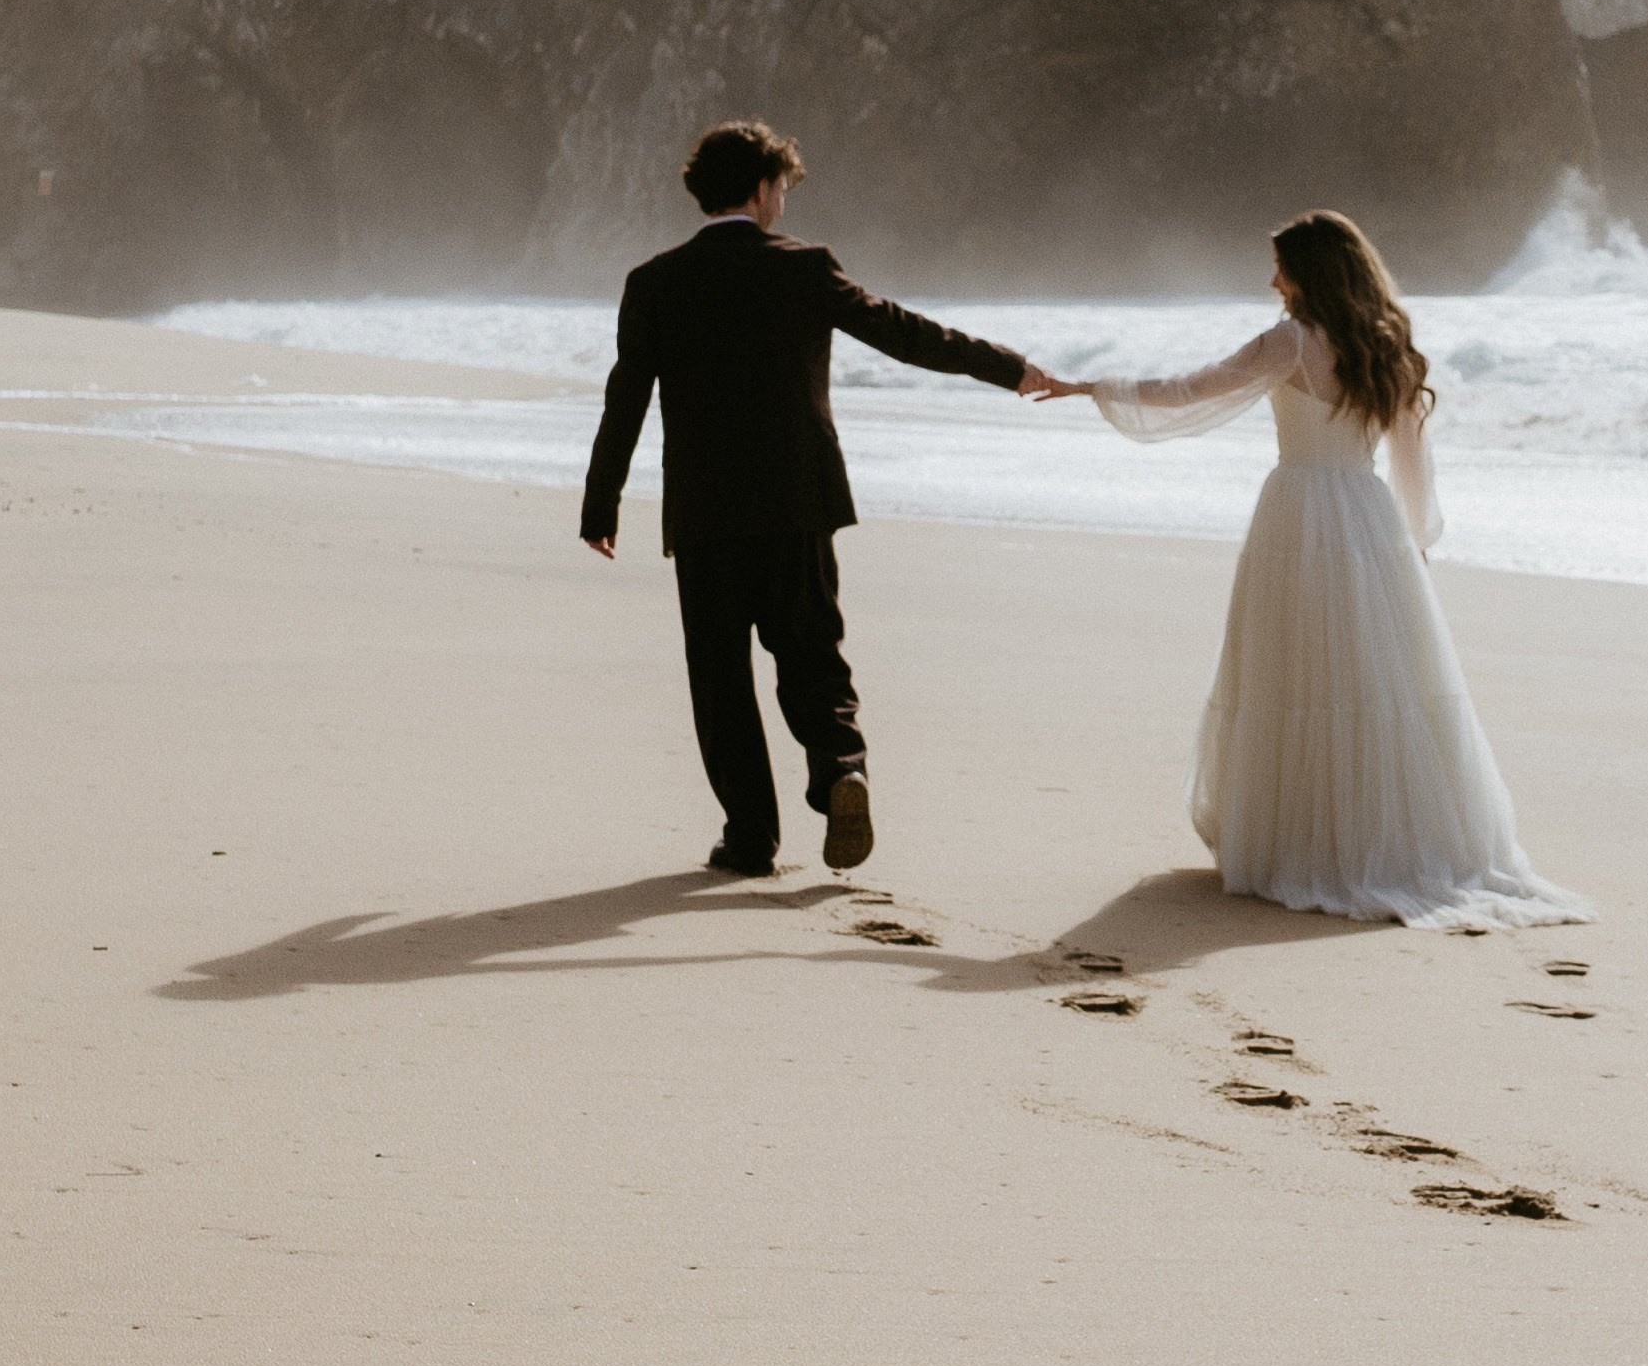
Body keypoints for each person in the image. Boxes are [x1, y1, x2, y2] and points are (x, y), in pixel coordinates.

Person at [1049, 209, 1586, 930]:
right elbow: (1411, 461)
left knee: (1294, 674)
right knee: (1369, 683)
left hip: (1299, 513)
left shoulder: (1292, 341)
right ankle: (1368, 840)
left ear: (1310, 271)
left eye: (1281, 265)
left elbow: (1194, 388)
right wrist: (1415, 541)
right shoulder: (1385, 344)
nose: (1272, 279)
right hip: (1368, 520)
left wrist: (1096, 388)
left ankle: (1307, 846)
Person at [582, 122, 1062, 876]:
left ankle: (749, 838)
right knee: (811, 652)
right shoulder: (804, 267)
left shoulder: (656, 281)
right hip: (798, 502)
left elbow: (626, 399)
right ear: (763, 188)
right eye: (782, 188)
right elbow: (903, 333)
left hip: (706, 512)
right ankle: (841, 768)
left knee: (720, 673)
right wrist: (1008, 367)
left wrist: (600, 503)